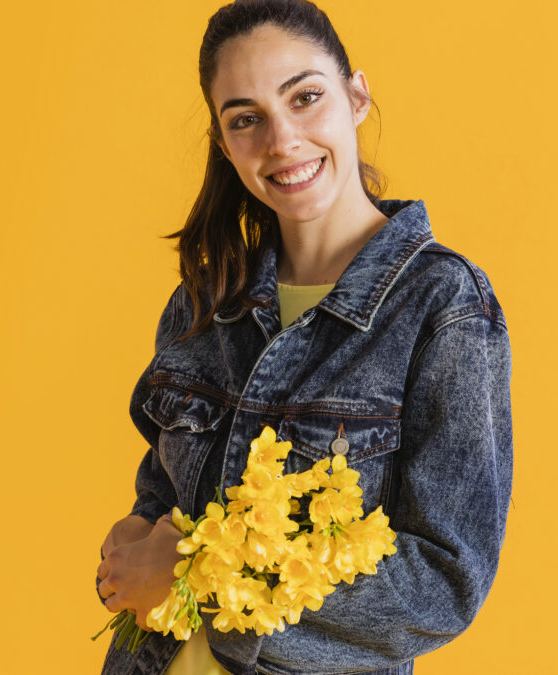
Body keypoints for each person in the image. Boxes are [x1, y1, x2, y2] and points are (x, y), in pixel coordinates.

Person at [93, 1, 514, 674]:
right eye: (246, 119)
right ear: (224, 144)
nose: (282, 140)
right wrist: (131, 544)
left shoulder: (443, 304)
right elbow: (164, 498)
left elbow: (443, 582)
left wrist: (198, 577)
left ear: (357, 97)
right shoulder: (205, 299)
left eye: (306, 97)